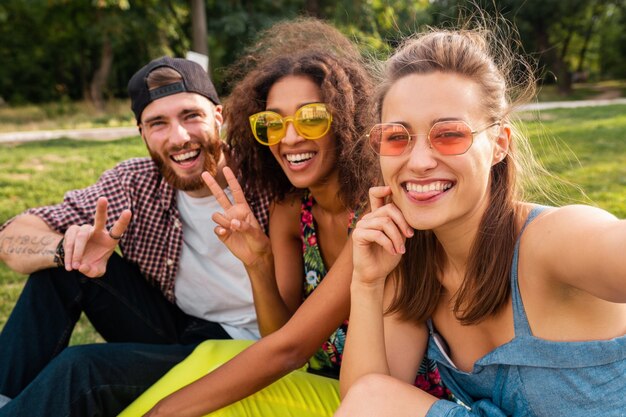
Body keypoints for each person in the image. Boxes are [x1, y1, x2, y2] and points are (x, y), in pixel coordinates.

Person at [335, 24, 626, 417]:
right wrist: (367, 282)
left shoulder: (553, 240)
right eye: (398, 137)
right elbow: (365, 402)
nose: (418, 162)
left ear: (499, 145)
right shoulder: (414, 265)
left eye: (449, 135)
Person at [121, 18, 379, 417]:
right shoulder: (292, 210)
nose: (289, 137)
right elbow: (276, 337)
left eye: (311, 117)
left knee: (193, 404)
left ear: (346, 120)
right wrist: (259, 264)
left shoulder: (373, 212)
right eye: (272, 122)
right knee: (208, 355)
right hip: (319, 380)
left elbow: (289, 351)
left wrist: (165, 413)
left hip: (374, 400)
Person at [0, 56, 270, 416]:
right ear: (141, 133)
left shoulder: (267, 179)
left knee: (81, 369)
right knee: (60, 267)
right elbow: (12, 235)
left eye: (191, 115)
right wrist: (66, 247)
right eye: (158, 123)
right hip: (178, 328)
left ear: (218, 117)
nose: (179, 137)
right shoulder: (135, 182)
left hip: (249, 345)